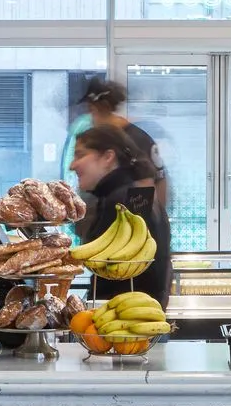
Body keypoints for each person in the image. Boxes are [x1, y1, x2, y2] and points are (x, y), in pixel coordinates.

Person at [69, 124, 173, 306]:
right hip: (132, 311)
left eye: (80, 155)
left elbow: (140, 271)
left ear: (108, 157)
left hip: (125, 315)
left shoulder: (122, 202)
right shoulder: (125, 193)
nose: (72, 165)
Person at [79, 77, 167, 207]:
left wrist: (148, 216)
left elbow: (154, 182)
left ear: (104, 107)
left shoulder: (135, 139)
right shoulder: (108, 139)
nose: (91, 119)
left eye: (92, 111)